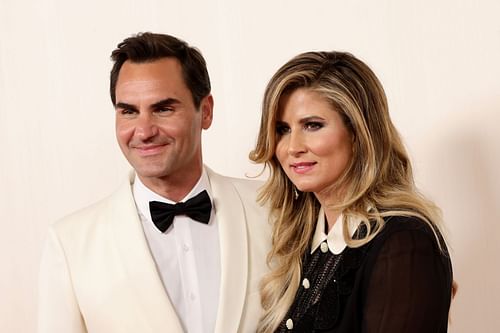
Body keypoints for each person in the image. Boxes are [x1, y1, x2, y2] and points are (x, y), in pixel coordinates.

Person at [38, 32, 271, 333]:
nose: (144, 131)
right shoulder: (69, 244)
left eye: (163, 109)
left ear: (207, 111)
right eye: (129, 111)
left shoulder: (273, 211)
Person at [250, 51, 454, 332]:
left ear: (359, 134)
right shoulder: (300, 241)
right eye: (282, 129)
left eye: (312, 125)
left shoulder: (405, 243)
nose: (292, 147)